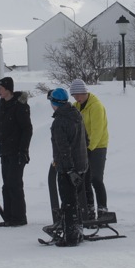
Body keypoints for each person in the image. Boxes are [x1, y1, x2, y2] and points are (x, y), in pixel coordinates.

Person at [0, 76, 32, 226]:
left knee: (14, 184)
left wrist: (23, 150)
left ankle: (19, 218)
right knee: (6, 185)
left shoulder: (20, 105)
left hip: (17, 152)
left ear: (8, 89)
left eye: (0, 89)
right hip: (5, 152)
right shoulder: (1, 104)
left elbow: (27, 129)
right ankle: (9, 217)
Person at [48, 86, 89, 244]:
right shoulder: (76, 114)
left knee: (68, 202)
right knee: (76, 200)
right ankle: (77, 230)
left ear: (55, 103)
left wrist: (69, 170)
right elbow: (86, 139)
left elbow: (63, 149)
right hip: (81, 165)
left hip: (68, 169)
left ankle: (71, 236)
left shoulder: (59, 122)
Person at [69, 79, 110, 214]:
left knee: (96, 178)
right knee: (85, 179)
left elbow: (97, 131)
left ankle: (102, 208)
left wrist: (89, 148)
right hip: (83, 148)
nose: (76, 98)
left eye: (78, 95)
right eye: (74, 95)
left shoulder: (96, 106)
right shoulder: (76, 107)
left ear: (85, 92)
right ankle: (89, 207)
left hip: (97, 147)